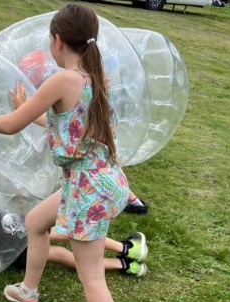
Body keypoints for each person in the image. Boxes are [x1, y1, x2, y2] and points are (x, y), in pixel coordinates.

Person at [0, 4, 132, 302]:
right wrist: (30, 107)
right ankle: (27, 291)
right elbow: (66, 126)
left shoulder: (63, 79)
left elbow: (8, 126)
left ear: (57, 41)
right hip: (100, 179)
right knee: (35, 222)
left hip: (88, 188)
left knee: (92, 277)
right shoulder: (93, 78)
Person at [11, 81, 150, 216]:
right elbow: (57, 124)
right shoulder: (95, 92)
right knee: (36, 224)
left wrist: (20, 112)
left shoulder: (78, 94)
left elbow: (12, 126)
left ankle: (126, 237)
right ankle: (134, 202)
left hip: (90, 184)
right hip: (106, 180)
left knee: (54, 229)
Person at [11, 230, 148, 277]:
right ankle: (128, 248)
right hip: (10, 226)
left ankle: (124, 265)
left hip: (5, 253)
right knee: (68, 233)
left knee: (53, 253)